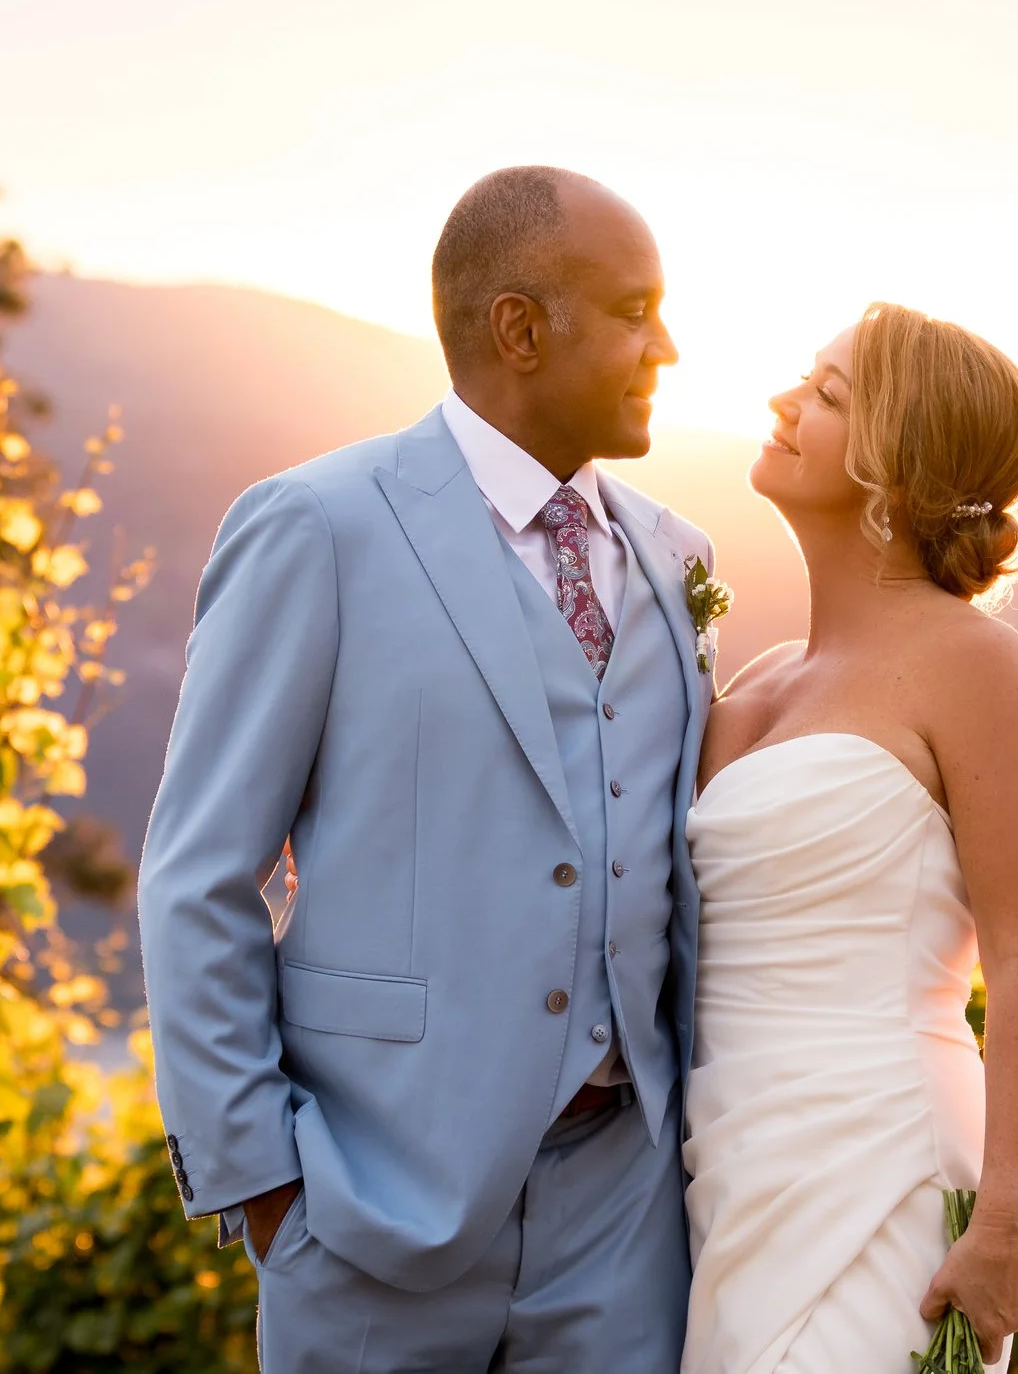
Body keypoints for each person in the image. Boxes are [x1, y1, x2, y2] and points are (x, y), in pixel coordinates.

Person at [136, 166, 714, 1372]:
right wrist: (265, 1187)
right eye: (634, 309)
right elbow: (199, 873)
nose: (666, 342)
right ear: (519, 326)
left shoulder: (679, 556)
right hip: (370, 1205)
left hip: (622, 1221)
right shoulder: (319, 525)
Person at [681, 303, 1018, 1373]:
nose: (783, 400)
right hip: (725, 1164)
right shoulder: (752, 680)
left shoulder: (978, 664)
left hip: (881, 1162)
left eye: (826, 393)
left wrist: (1004, 1218)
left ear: (896, 462)